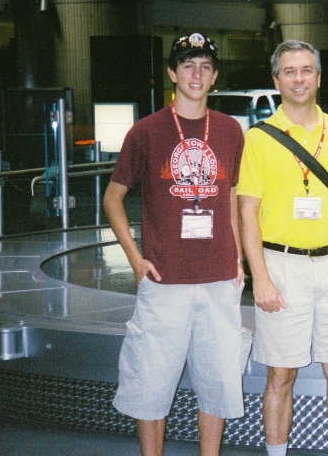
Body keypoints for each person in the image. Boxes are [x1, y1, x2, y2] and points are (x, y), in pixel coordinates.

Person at [103, 31, 246, 456]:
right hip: (164, 281)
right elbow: (112, 198)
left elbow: (232, 199)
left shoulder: (230, 130)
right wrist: (135, 259)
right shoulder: (146, 132)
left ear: (215, 76)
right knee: (150, 383)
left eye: (205, 67)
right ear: (172, 73)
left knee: (218, 383)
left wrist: (238, 259)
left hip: (218, 279)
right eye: (187, 65)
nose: (196, 74)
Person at [237, 39, 328, 456]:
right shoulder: (259, 139)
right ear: (277, 80)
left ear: (318, 78)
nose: (298, 79)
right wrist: (260, 279)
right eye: (289, 71)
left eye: (306, 70)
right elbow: (247, 212)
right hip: (281, 267)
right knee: (280, 376)